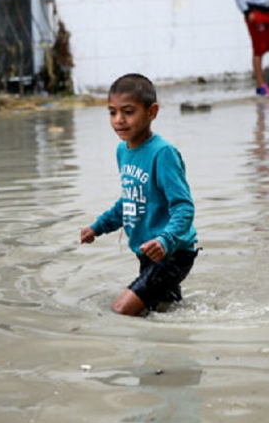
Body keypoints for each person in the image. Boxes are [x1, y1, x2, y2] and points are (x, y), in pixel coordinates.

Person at [79, 74, 199, 316]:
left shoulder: (163, 153)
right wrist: (98, 227)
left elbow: (184, 207)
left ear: (151, 112)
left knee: (121, 310)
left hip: (172, 253)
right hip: (147, 252)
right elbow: (130, 200)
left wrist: (165, 240)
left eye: (128, 112)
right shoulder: (123, 151)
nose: (119, 120)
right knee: (163, 312)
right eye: (112, 112)